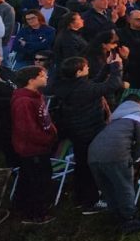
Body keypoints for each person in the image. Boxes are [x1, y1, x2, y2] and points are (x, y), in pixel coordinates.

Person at [47, 55, 124, 214]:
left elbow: (94, 83)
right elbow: (113, 85)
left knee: (81, 164)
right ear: (78, 72)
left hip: (75, 130)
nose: (88, 68)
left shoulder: (66, 85)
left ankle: (80, 196)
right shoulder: (83, 89)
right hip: (89, 131)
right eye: (85, 67)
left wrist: (106, 67)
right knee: (88, 166)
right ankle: (91, 201)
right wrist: (117, 66)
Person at [88, 95, 140, 233]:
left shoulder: (116, 118)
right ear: (139, 104)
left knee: (108, 187)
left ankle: (115, 214)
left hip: (93, 154)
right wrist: (132, 158)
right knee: (124, 186)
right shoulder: (138, 116)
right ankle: (130, 218)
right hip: (116, 155)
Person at [10, 65, 56, 224]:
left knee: (36, 178)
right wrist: (46, 139)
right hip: (32, 149)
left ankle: (25, 208)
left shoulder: (36, 95)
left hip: (40, 146)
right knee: (36, 181)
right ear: (31, 80)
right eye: (42, 76)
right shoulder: (23, 101)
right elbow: (27, 129)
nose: (46, 78)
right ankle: (34, 214)